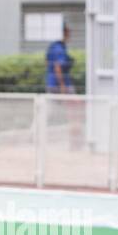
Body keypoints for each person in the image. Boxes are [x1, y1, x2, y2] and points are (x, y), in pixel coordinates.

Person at [44, 22, 82, 150]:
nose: (69, 34)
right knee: (75, 110)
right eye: (67, 32)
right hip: (60, 84)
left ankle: (35, 134)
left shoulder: (54, 46)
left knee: (47, 111)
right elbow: (58, 67)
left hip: (52, 83)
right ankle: (75, 141)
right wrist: (63, 87)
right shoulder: (59, 48)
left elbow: (47, 62)